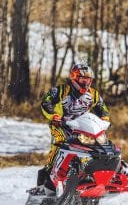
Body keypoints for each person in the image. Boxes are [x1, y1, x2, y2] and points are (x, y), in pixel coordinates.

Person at [36, 63, 110, 191]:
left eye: (88, 80)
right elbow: (45, 102)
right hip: (61, 125)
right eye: (83, 79)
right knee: (61, 141)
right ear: (74, 78)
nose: (86, 83)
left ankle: (101, 172)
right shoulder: (60, 91)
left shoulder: (93, 94)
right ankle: (48, 172)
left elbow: (102, 108)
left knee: (101, 142)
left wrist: (104, 119)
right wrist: (53, 115)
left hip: (82, 127)